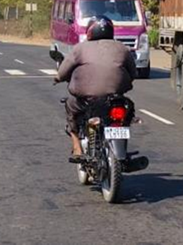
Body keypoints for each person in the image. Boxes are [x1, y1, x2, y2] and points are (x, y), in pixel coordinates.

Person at [54, 16, 137, 161]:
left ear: (89, 32)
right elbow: (133, 73)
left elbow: (62, 72)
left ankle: (77, 147)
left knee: (70, 105)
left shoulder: (80, 48)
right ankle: (122, 148)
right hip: (115, 99)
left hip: (88, 100)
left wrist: (58, 78)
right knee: (128, 110)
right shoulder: (122, 48)